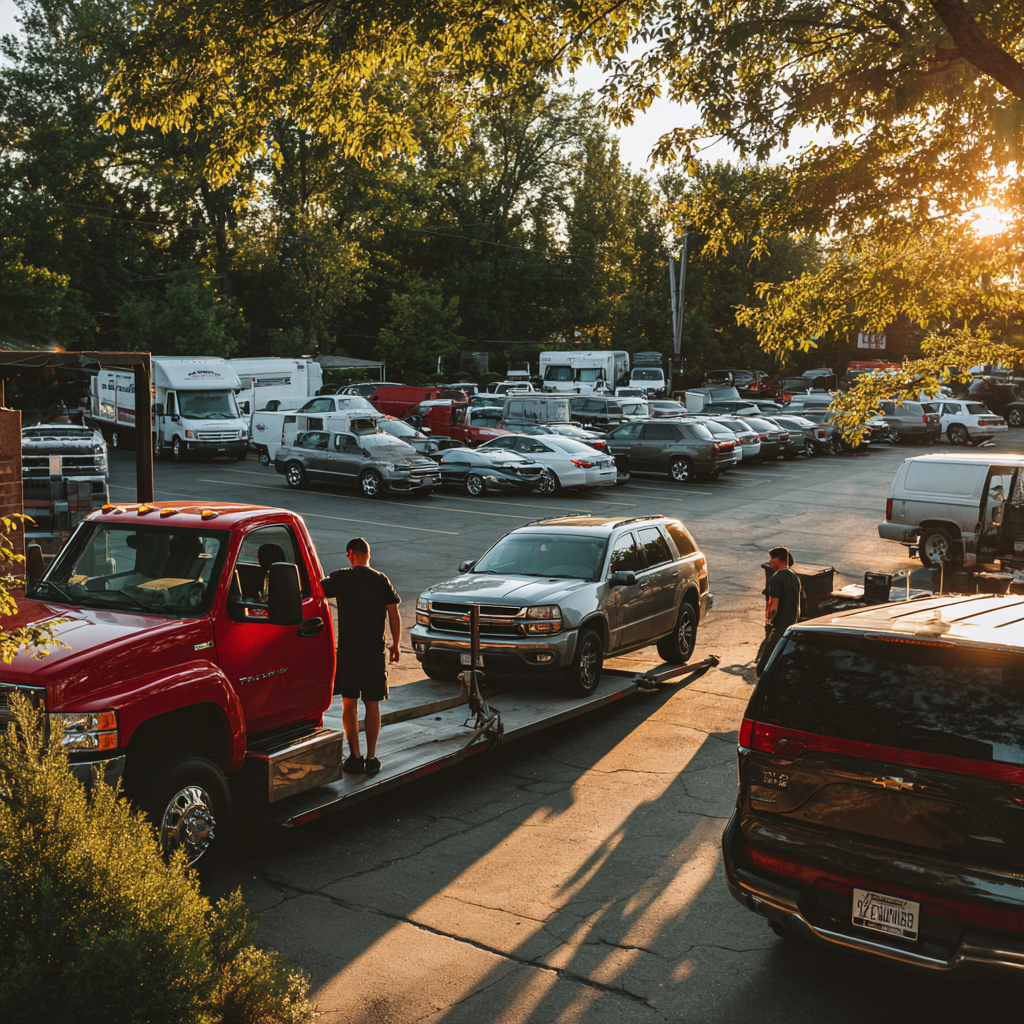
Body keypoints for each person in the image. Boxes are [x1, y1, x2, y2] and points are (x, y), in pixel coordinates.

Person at [321, 538, 401, 776]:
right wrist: (395, 644)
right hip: (374, 652)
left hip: (348, 652)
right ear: (368, 554)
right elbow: (393, 614)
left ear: (350, 554)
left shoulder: (340, 577)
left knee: (349, 703)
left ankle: (354, 757)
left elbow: (316, 591)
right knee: (372, 704)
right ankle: (372, 757)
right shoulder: (380, 579)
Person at [755, 546, 802, 679]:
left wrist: (769, 620)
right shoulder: (795, 577)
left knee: (765, 660)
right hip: (791, 624)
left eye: (771, 560)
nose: (770, 563)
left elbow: (773, 606)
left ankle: (762, 681)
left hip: (779, 626)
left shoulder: (776, 579)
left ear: (777, 560)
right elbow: (798, 605)